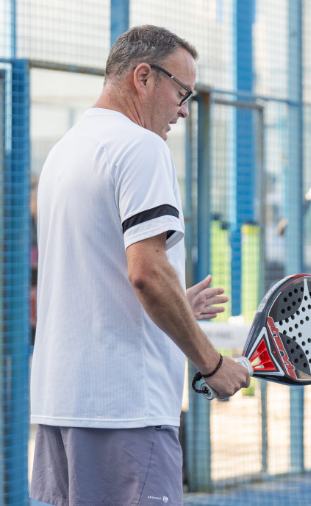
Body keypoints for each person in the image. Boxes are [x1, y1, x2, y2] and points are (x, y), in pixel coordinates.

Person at [30, 25, 250, 506]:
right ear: (144, 77)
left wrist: (175, 305)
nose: (185, 109)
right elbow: (146, 274)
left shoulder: (64, 153)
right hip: (124, 411)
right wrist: (212, 364)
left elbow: (97, 279)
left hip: (58, 406)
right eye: (182, 91)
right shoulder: (141, 147)